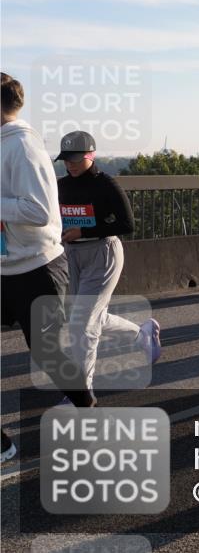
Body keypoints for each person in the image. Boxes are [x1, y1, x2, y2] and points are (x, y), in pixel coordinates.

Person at [2, 73, 95, 463]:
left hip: (36, 267)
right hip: (6, 266)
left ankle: (86, 411)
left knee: (48, 354)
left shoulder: (23, 145)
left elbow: (39, 210)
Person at [56, 131, 160, 395]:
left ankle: (81, 393)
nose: (71, 164)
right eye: (66, 159)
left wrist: (85, 232)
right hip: (72, 256)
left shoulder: (105, 184)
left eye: (76, 159)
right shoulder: (60, 185)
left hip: (103, 254)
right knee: (92, 316)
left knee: (83, 323)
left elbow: (127, 224)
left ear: (90, 155)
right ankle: (142, 334)